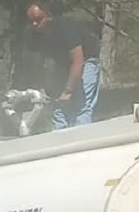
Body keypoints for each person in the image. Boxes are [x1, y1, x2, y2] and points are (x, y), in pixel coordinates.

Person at [26, 1, 101, 130]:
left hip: (86, 61)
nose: (34, 24)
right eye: (31, 21)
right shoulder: (36, 34)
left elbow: (78, 61)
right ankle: (60, 137)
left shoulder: (65, 28)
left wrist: (68, 91)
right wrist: (41, 86)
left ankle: (81, 139)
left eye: (38, 19)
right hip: (63, 63)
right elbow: (38, 62)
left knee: (82, 106)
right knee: (58, 106)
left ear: (48, 15)